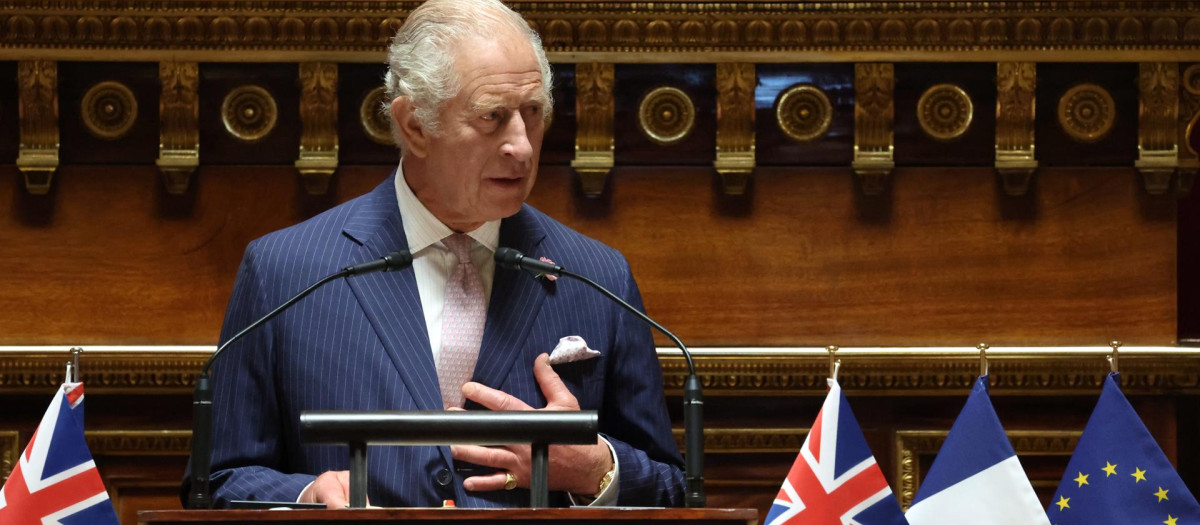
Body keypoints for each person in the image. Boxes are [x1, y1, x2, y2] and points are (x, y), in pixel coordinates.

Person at [188, 0, 685, 509]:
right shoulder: (285, 272)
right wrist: (306, 495)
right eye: (492, 117)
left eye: (532, 113)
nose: (523, 146)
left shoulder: (598, 277)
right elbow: (217, 485)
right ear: (414, 127)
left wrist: (596, 468)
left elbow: (673, 490)